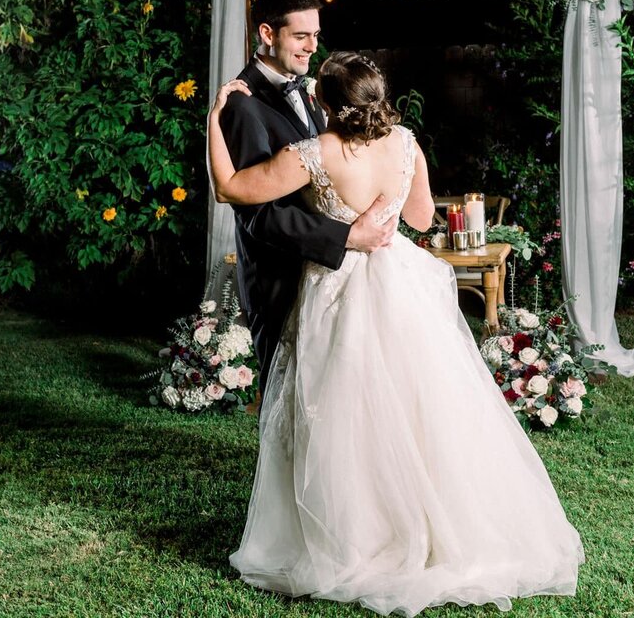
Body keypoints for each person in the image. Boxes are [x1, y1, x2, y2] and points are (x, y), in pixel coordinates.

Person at [209, 51, 583, 617]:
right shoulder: (406, 141)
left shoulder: (316, 152)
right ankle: (432, 524)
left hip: (338, 290)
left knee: (344, 413)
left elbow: (232, 189)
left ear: (323, 103)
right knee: (419, 407)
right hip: (402, 283)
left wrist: (214, 120)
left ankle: (357, 535)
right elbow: (422, 217)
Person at [217, 0, 397, 383]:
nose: (312, 46)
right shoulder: (243, 105)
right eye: (300, 36)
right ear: (267, 34)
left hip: (324, 277)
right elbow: (256, 214)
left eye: (315, 35)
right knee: (285, 399)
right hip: (278, 280)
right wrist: (347, 236)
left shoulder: (313, 93)